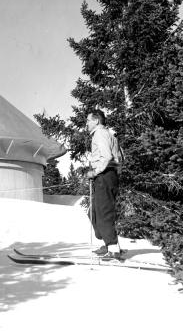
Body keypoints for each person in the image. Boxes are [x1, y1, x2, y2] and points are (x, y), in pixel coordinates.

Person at [85, 110, 122, 258]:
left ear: (96, 121)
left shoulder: (100, 134)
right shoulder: (109, 133)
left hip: (104, 175)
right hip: (108, 175)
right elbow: (118, 155)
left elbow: (106, 156)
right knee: (93, 211)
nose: (86, 124)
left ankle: (113, 250)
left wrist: (95, 172)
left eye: (88, 120)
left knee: (103, 212)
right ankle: (109, 243)